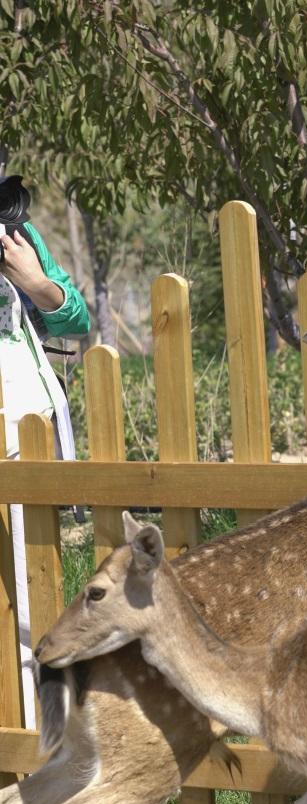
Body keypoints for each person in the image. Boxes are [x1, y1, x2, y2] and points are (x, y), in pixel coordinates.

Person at [0, 175, 90, 726]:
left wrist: (35, 282)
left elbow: (75, 319)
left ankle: (39, 736)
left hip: (28, 431)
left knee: (31, 595)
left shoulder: (18, 231)